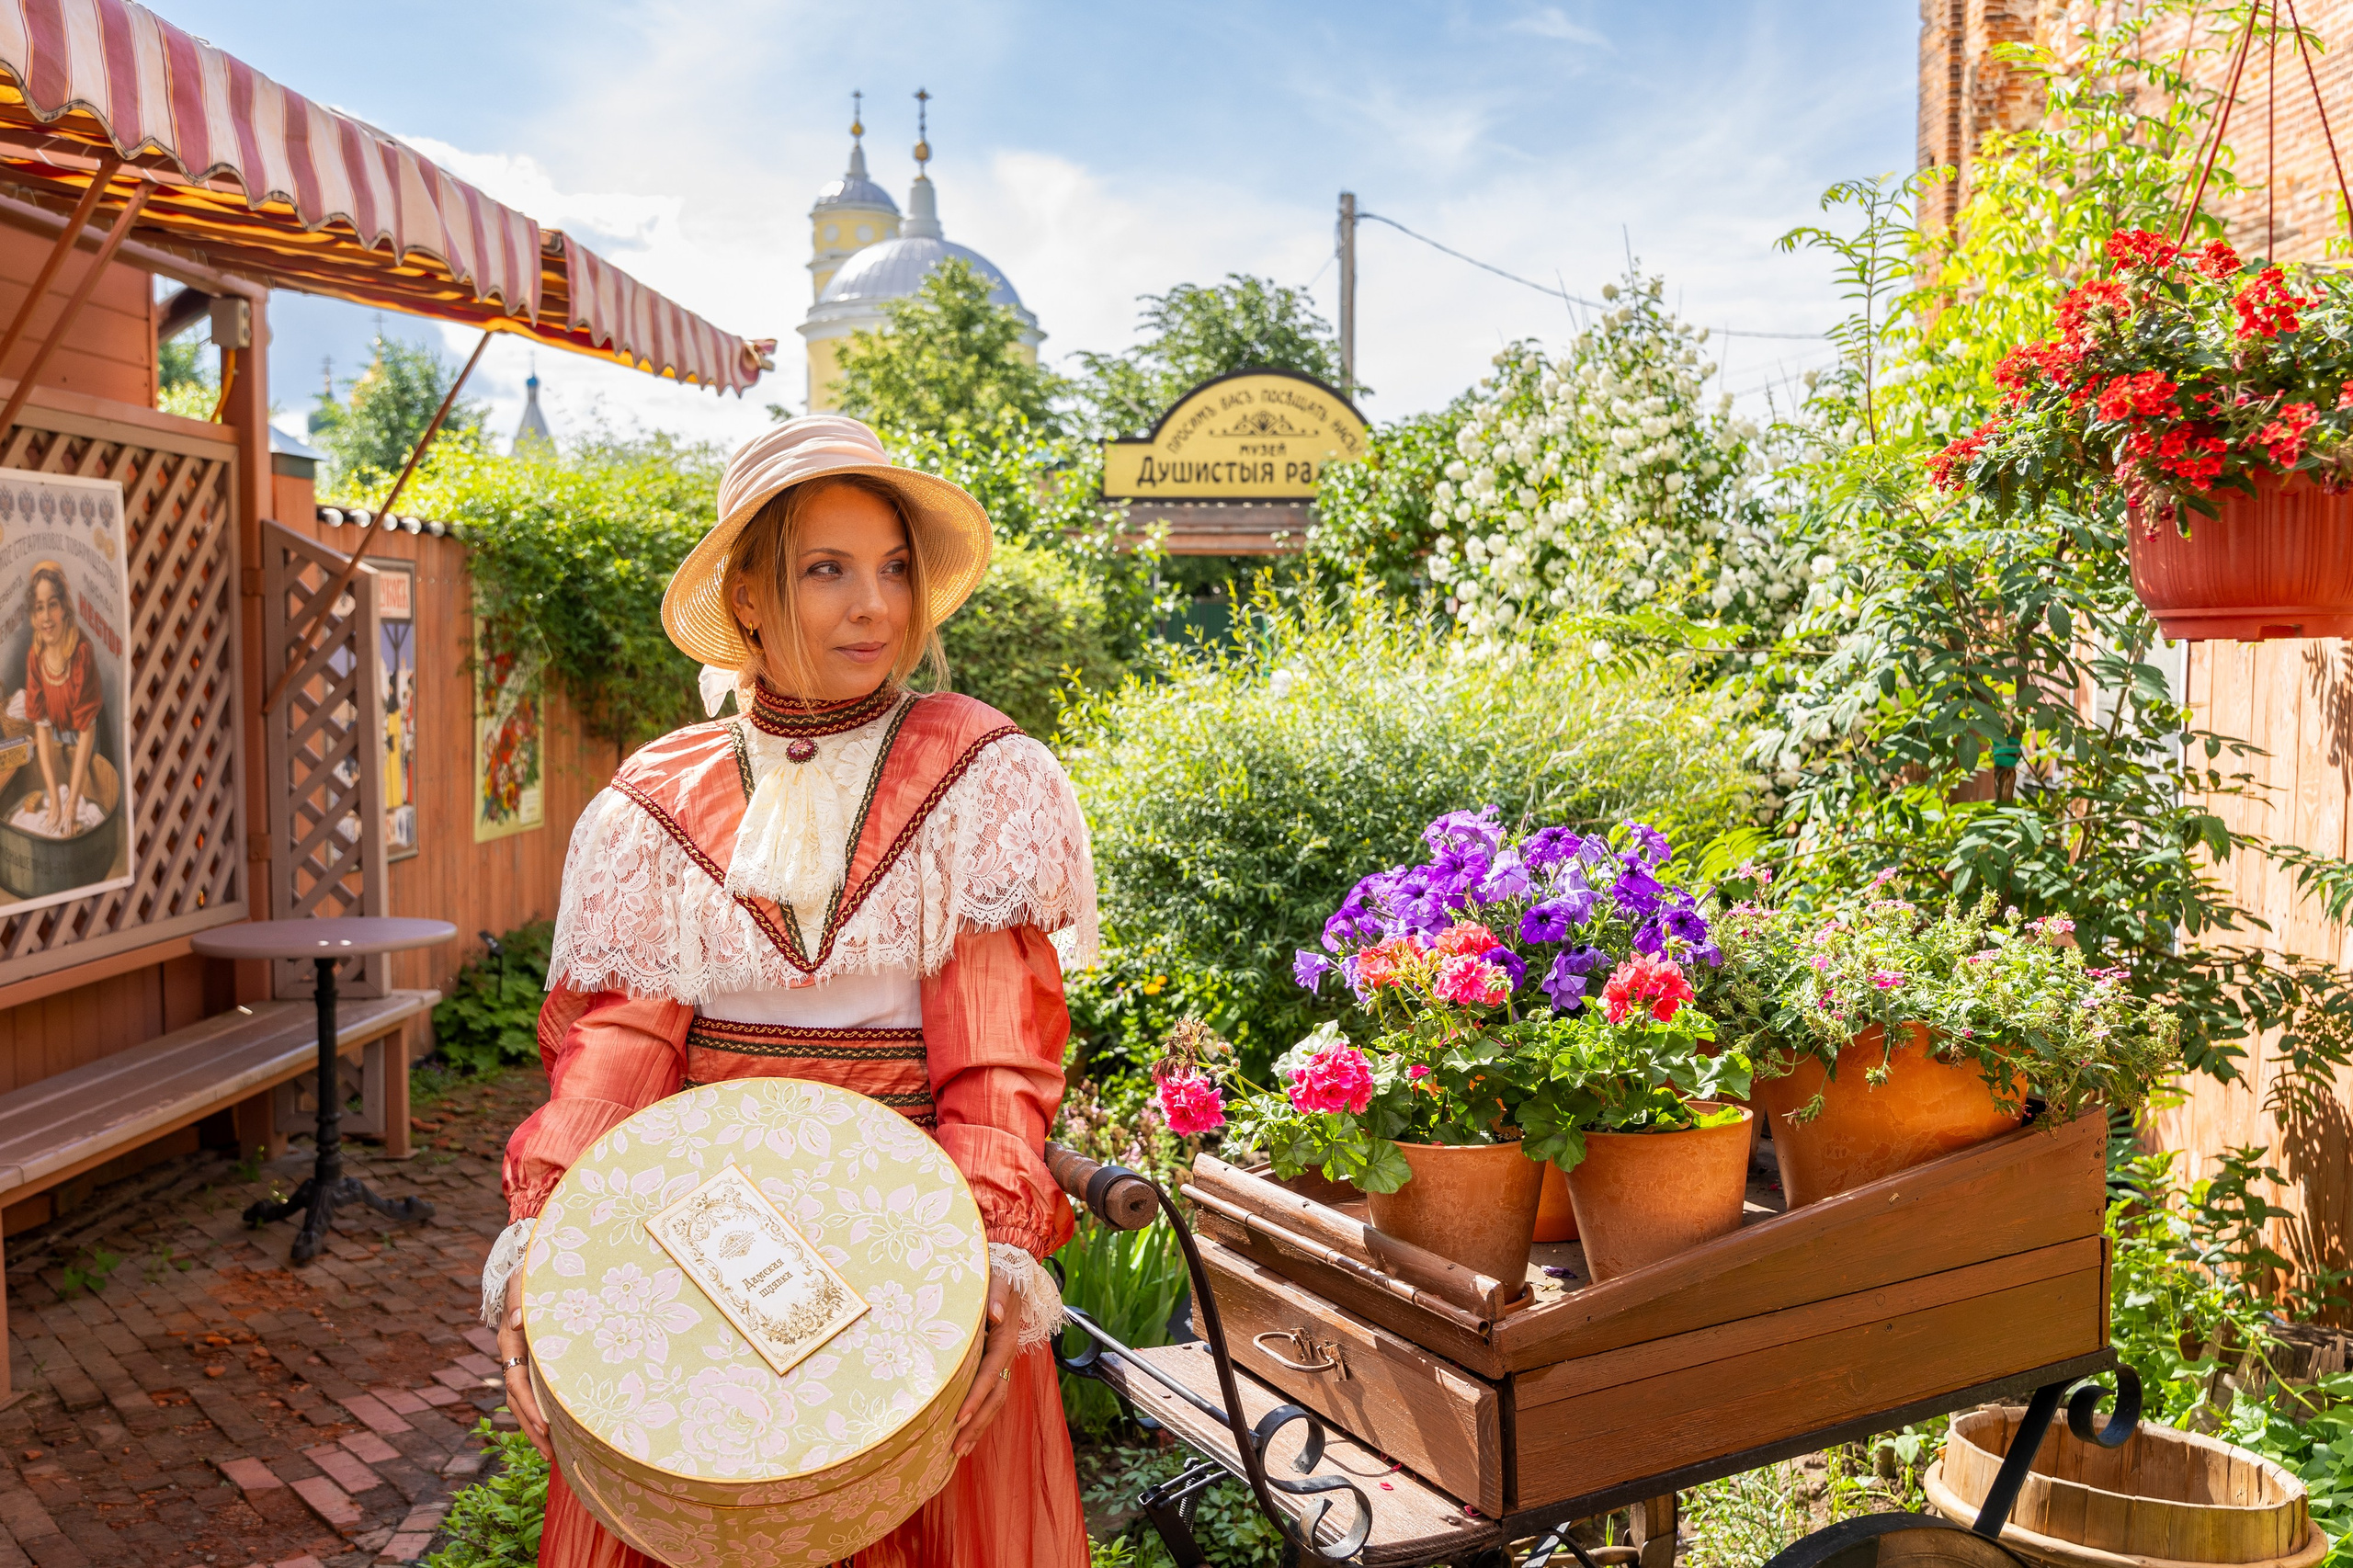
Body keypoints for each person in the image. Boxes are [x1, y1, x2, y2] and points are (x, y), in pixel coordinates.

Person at [483, 415, 1097, 1568]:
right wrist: (546, 1228)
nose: (874, 604)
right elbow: (622, 1047)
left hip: (913, 1238)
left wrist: (987, 1252)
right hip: (709, 1247)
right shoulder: (656, 796)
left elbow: (997, 1056)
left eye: (894, 567)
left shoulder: (976, 770)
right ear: (750, 596)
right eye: (828, 569)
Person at [22, 561, 100, 837]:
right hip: (54, 749)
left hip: (86, 748)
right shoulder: (35, 657)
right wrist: (55, 797)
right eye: (39, 607)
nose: (46, 617)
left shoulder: (81, 654)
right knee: (49, 810)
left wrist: (70, 807)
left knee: (81, 815)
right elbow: (42, 730)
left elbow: (87, 732)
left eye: (52, 604)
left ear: (65, 606)